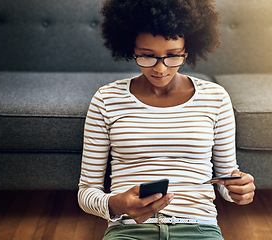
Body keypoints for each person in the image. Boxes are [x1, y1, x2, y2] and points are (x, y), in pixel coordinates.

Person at [78, 0, 255, 239]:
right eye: (147, 56)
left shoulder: (216, 98)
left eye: (172, 56)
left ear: (187, 50)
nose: (160, 69)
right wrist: (118, 204)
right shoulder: (106, 99)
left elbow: (226, 180)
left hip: (198, 227)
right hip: (129, 228)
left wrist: (238, 189)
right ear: (131, 50)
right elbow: (86, 192)